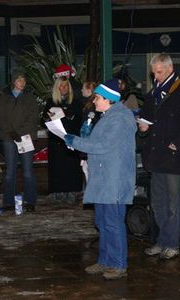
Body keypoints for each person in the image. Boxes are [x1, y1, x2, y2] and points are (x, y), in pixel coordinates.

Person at [63, 79, 136, 280]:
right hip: (104, 179)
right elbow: (97, 143)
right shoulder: (108, 116)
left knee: (113, 222)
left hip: (114, 180)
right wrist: (82, 138)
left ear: (108, 99)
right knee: (103, 222)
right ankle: (105, 260)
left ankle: (119, 264)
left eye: (97, 97)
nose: (94, 101)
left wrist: (75, 141)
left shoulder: (120, 118)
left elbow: (104, 146)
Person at [138, 53, 180, 259]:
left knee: (174, 205)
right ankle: (162, 240)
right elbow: (148, 121)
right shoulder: (153, 94)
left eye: (159, 72)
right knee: (158, 203)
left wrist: (178, 144)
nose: (155, 76)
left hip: (174, 158)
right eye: (154, 72)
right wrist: (143, 128)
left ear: (169, 68)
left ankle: (172, 244)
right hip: (156, 157)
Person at [0, 71, 39, 212]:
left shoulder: (29, 98)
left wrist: (20, 133)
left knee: (27, 171)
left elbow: (33, 118)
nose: (22, 83)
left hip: (26, 138)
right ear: (14, 82)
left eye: (24, 80)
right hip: (8, 138)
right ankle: (8, 201)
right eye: (19, 80)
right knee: (10, 171)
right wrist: (11, 132)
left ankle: (30, 201)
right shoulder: (4, 98)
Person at [43, 76, 83, 202]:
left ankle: (72, 191)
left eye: (66, 86)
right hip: (56, 140)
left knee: (71, 166)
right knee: (57, 167)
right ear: (57, 88)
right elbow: (43, 120)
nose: (64, 88)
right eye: (61, 86)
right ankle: (57, 191)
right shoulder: (51, 102)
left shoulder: (76, 102)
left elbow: (79, 120)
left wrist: (68, 115)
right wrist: (48, 118)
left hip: (70, 137)